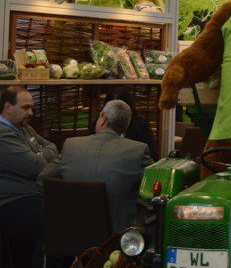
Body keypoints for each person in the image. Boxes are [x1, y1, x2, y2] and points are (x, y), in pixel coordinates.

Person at [38, 99, 153, 232]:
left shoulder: (71, 145)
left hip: (68, 232)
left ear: (103, 118)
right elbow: (156, 188)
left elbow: (42, 181)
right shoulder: (138, 150)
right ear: (125, 126)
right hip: (115, 237)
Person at [0, 85, 57, 268]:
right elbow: (37, 166)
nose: (31, 112)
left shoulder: (25, 128)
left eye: (31, 107)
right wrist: (40, 154)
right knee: (56, 226)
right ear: (8, 107)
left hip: (31, 195)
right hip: (11, 201)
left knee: (63, 214)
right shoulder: (3, 135)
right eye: (25, 108)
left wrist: (40, 154)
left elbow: (52, 146)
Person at [104, 87, 159, 161]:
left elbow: (153, 155)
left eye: (120, 108)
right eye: (112, 109)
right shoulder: (100, 125)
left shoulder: (140, 125)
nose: (116, 113)